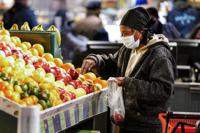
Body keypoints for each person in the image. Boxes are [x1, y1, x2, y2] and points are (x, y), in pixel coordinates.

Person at [81, 7, 176, 133]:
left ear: (140, 31)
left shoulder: (159, 56)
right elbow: (112, 63)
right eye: (121, 33)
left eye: (126, 33)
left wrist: (127, 83)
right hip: (127, 122)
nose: (123, 37)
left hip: (148, 126)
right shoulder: (128, 49)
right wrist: (96, 60)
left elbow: (164, 90)